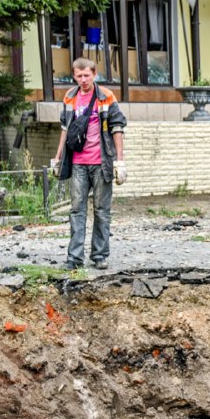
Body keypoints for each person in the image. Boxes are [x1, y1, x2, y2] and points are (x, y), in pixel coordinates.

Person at [53, 58, 127, 271]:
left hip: (101, 162)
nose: (83, 80)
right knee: (76, 210)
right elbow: (64, 128)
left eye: (87, 75)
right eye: (79, 76)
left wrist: (120, 161)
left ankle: (100, 256)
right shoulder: (70, 97)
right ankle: (74, 258)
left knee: (102, 210)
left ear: (94, 74)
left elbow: (117, 128)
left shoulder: (106, 97)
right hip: (77, 163)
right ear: (74, 76)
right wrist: (58, 158)